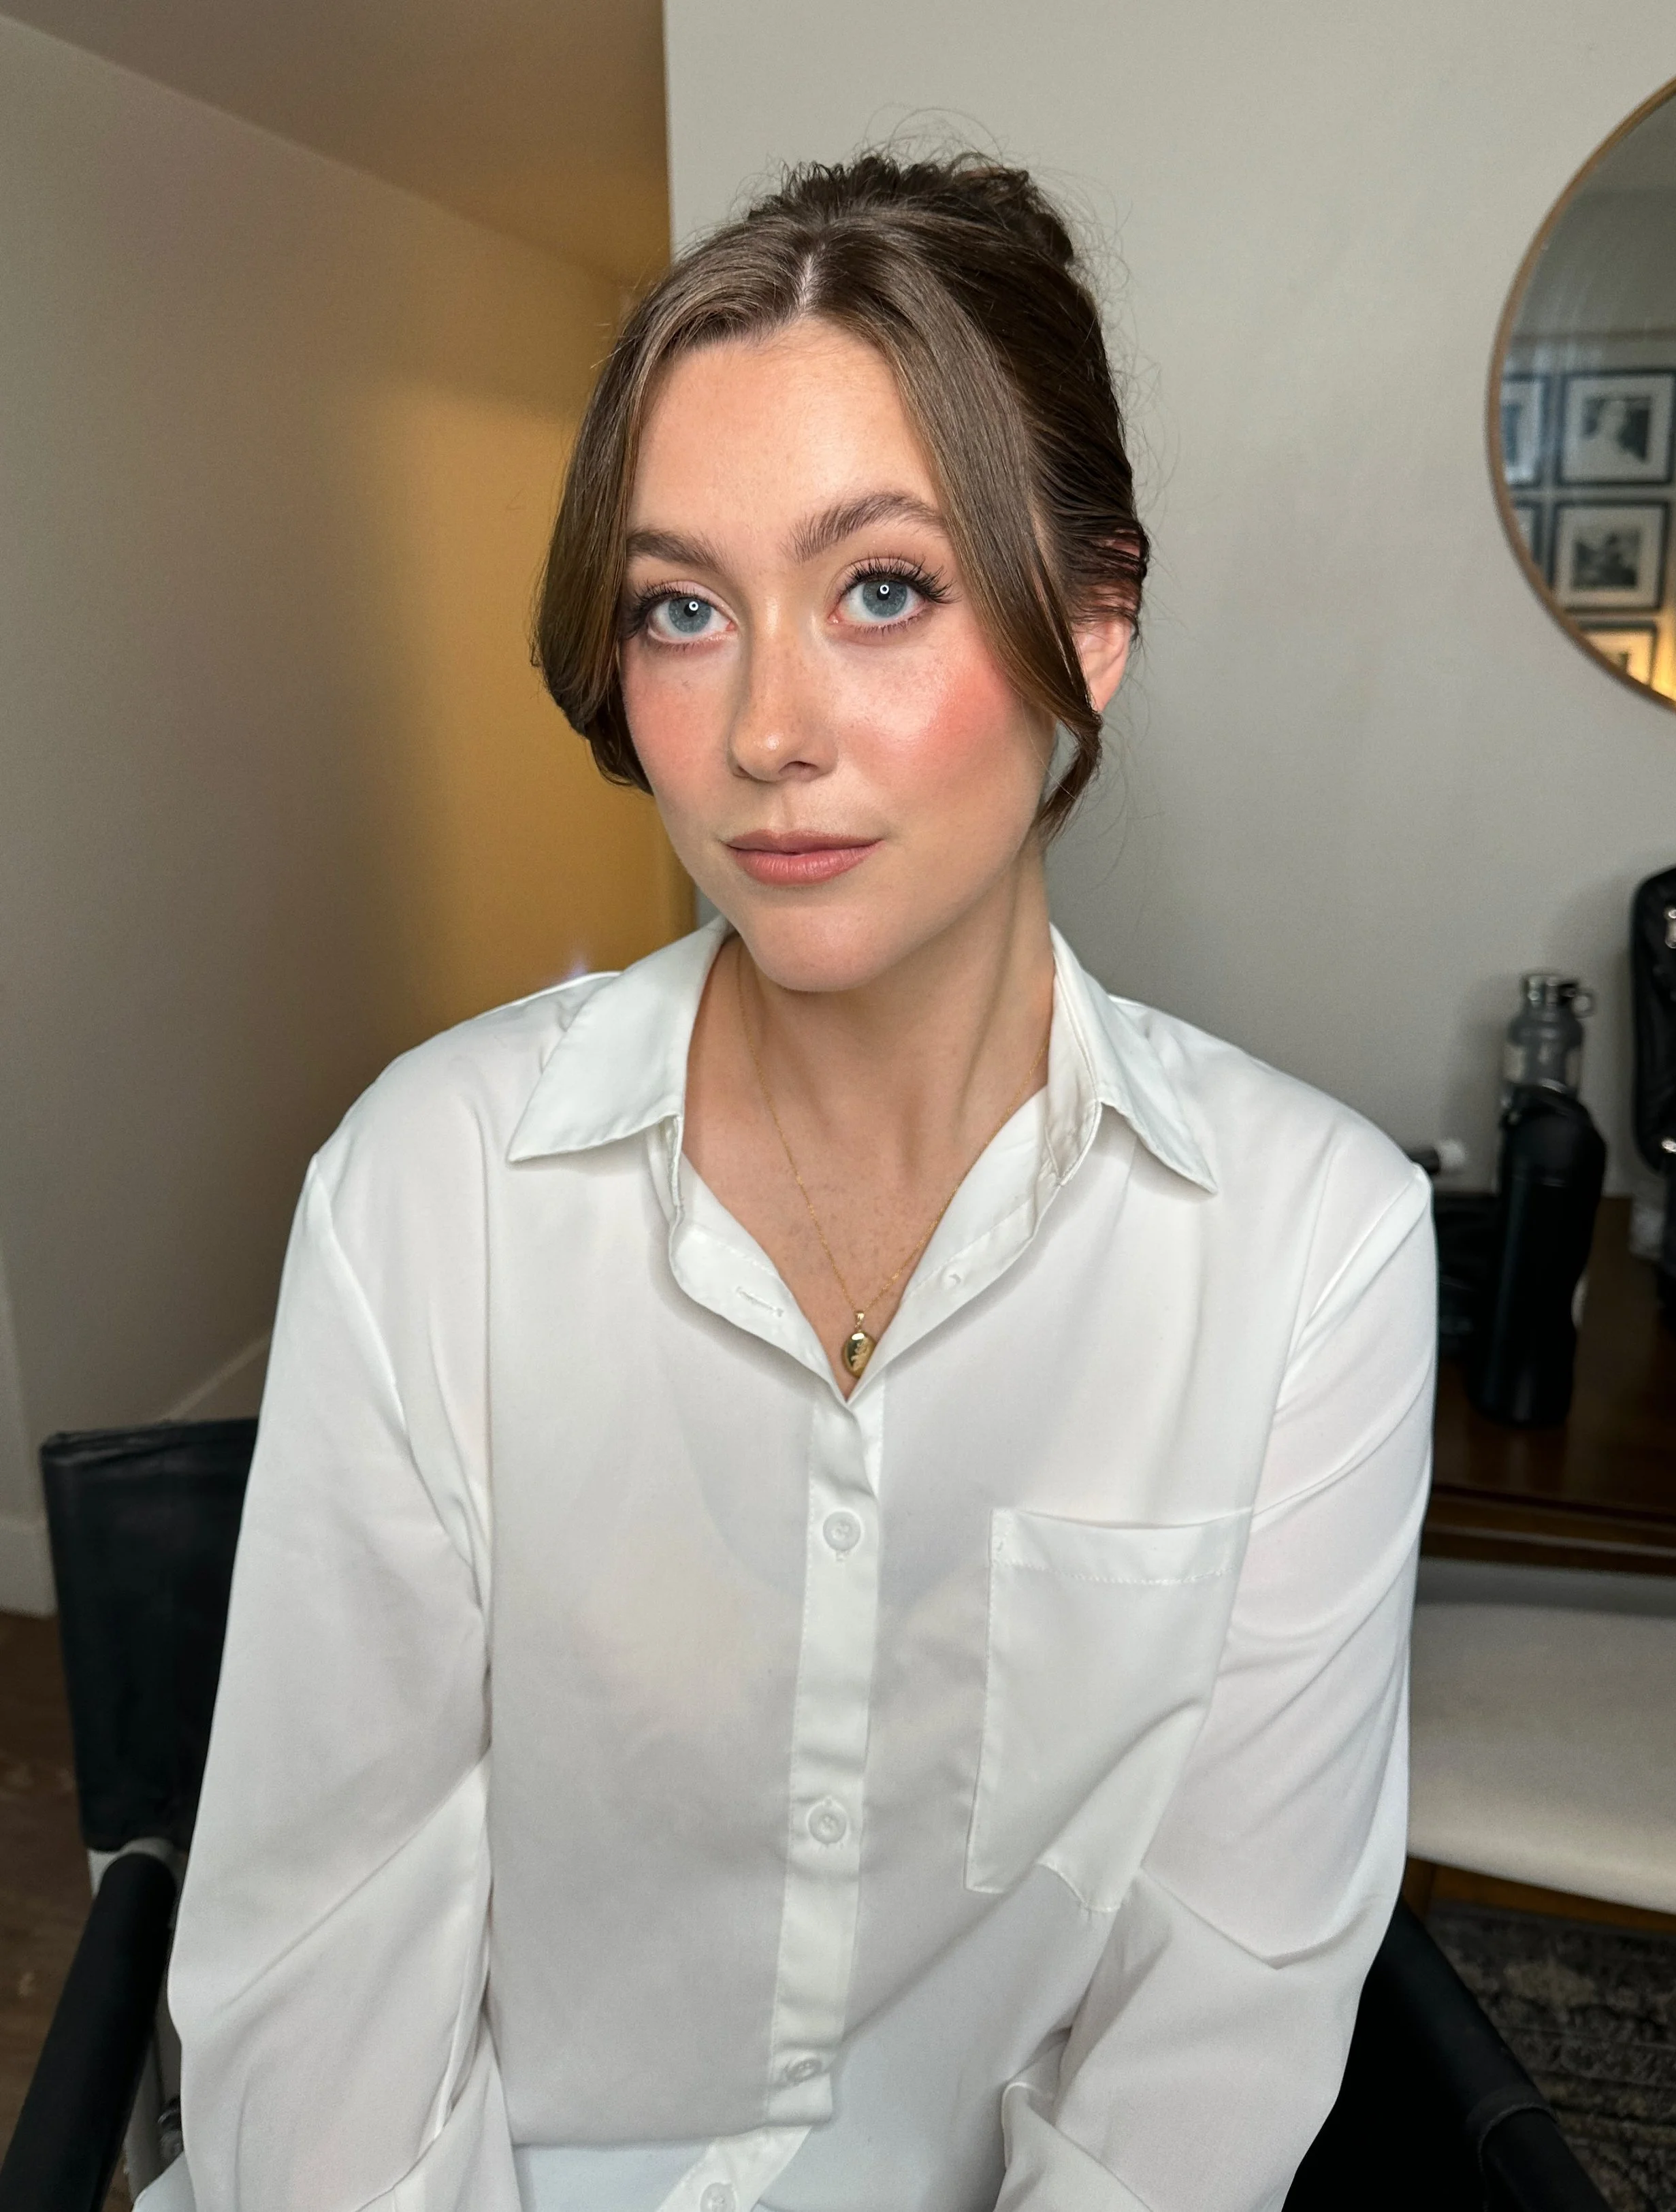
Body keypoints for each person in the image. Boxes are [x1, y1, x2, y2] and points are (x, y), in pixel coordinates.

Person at [144, 153, 1435, 2212]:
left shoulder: (1314, 1250)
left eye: (883, 589)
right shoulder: (431, 1187)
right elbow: (321, 1978)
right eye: (682, 609)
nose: (764, 730)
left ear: (1093, 619)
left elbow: (1215, 2020)